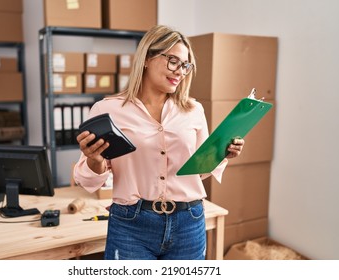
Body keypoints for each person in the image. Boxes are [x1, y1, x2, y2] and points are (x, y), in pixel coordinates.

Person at [73, 25, 245, 260]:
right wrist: (95, 160)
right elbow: (88, 180)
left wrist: (222, 153)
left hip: (189, 221)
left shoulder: (193, 110)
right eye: (173, 61)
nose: (180, 71)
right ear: (147, 58)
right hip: (131, 225)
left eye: (185, 65)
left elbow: (200, 170)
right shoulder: (107, 110)